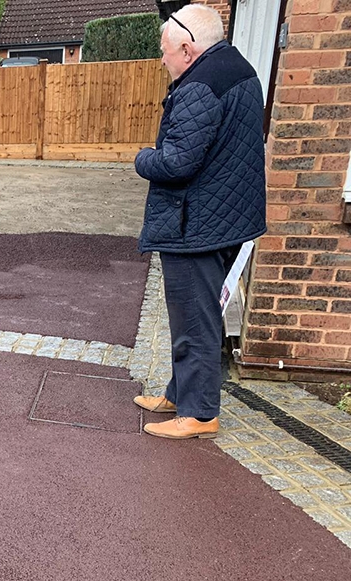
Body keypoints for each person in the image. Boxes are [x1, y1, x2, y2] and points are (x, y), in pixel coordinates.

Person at [133, 4, 265, 440]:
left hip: (197, 225)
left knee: (195, 318)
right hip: (225, 217)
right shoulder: (238, 67)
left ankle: (200, 413)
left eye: (166, 51)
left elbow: (175, 162)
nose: (163, 59)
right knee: (193, 314)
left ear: (188, 50)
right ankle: (179, 392)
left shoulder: (199, 86)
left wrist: (141, 159)